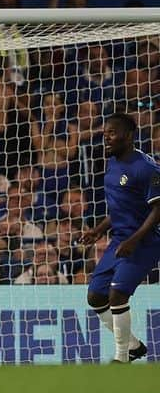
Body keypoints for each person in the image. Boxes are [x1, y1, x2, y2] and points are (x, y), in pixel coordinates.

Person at [78, 113, 158, 363]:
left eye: (111, 133)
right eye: (104, 134)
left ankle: (121, 358)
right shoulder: (112, 164)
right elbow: (122, 207)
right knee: (95, 297)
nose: (106, 138)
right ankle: (133, 346)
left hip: (145, 241)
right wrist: (99, 229)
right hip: (120, 240)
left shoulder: (147, 168)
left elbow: (158, 209)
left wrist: (134, 239)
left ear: (129, 135)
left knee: (117, 296)